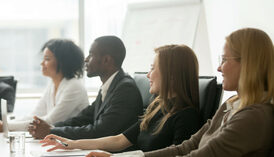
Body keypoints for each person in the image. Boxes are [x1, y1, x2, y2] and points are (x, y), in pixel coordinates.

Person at [87, 28, 274, 157]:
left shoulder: (254, 116)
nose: (218, 67)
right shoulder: (231, 104)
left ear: (248, 63)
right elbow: (187, 147)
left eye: (225, 59)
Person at [40, 45, 201, 153]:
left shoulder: (186, 118)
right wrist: (71, 144)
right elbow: (119, 140)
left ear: (171, 75)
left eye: (152, 68)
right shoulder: (158, 108)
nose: (148, 75)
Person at [28, 35, 143, 140]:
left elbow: (99, 131)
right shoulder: (110, 85)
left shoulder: (125, 89)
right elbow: (83, 119)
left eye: (91, 55)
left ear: (106, 60)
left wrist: (51, 131)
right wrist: (51, 128)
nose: (86, 59)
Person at [0, 39, 90, 132]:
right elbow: (34, 116)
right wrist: (5, 124)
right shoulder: (53, 85)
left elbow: (48, 122)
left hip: (73, 144)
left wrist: (5, 126)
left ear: (63, 62)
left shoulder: (74, 87)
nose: (42, 63)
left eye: (47, 59)